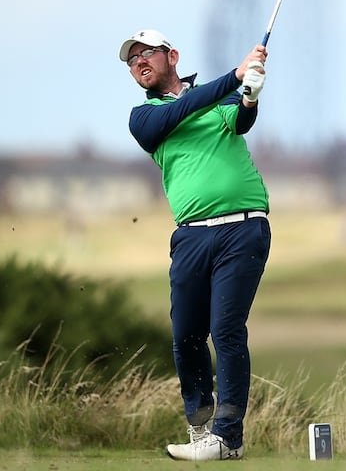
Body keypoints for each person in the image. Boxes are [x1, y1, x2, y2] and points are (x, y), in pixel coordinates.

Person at [120, 29, 272, 461]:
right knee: (186, 335)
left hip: (243, 227)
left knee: (225, 329)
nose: (139, 64)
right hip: (190, 235)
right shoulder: (143, 118)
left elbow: (239, 120)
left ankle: (228, 438)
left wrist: (249, 95)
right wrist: (232, 77)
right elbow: (184, 108)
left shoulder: (216, 98)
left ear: (172, 56)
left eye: (146, 54)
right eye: (132, 62)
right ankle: (201, 430)